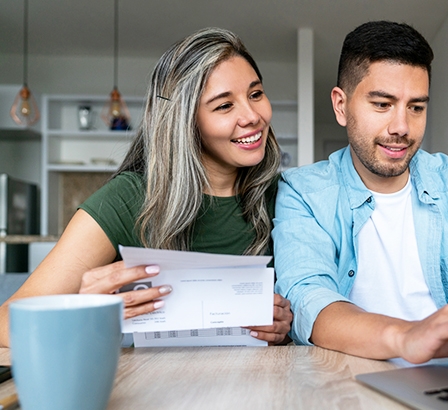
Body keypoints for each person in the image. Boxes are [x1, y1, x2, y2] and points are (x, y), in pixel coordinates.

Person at [0, 27, 292, 347]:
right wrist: (82, 313)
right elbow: (5, 325)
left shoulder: (288, 198)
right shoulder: (126, 200)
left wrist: (287, 326)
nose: (253, 116)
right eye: (224, 106)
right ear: (183, 123)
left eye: (255, 94)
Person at [272, 21, 448, 364]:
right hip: (353, 379)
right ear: (341, 105)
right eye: (382, 104)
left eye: (416, 107)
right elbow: (309, 300)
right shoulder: (303, 192)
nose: (401, 127)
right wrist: (408, 335)